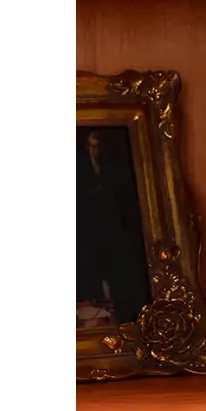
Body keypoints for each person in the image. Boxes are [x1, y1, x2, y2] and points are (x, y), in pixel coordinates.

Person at [76, 129, 151, 325]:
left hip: (114, 227)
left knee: (120, 272)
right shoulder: (80, 168)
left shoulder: (115, 168)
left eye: (97, 147)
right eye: (90, 147)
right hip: (91, 228)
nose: (93, 151)